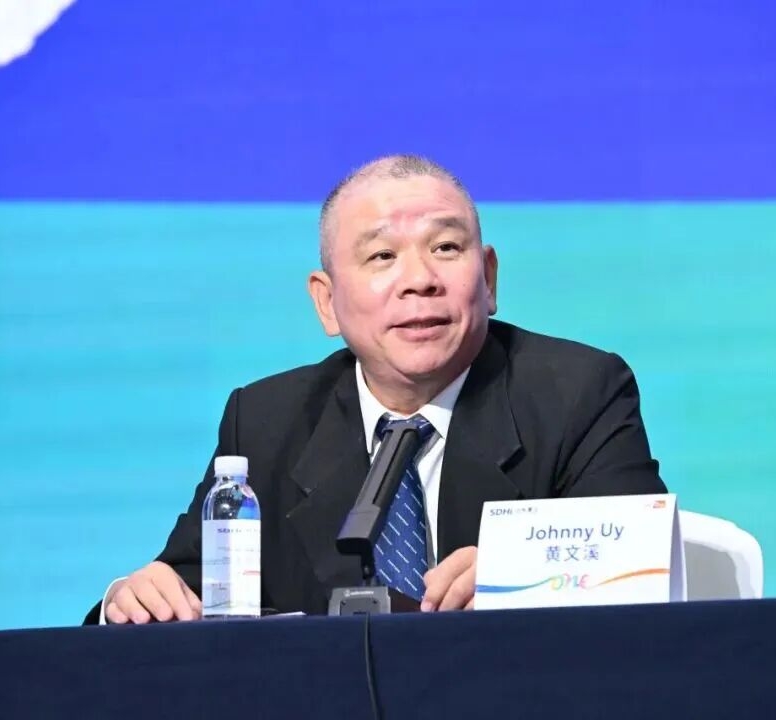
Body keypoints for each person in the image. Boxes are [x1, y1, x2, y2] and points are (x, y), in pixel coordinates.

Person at [85, 154, 666, 624]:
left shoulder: (577, 392)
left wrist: (525, 575)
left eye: (445, 248)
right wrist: (127, 603)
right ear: (326, 302)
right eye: (382, 255)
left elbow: (642, 569)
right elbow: (185, 590)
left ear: (488, 279)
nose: (419, 280)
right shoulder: (266, 421)